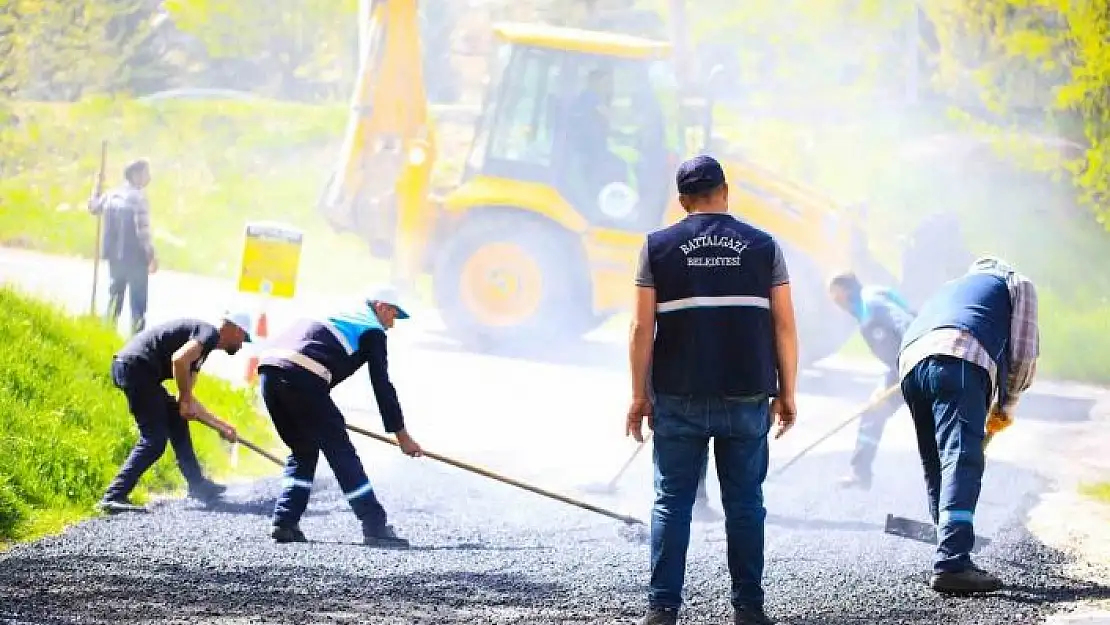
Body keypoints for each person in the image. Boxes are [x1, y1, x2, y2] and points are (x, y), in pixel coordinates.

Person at [626, 155, 799, 625]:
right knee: (745, 504)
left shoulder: (656, 247)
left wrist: (639, 396)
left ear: (682, 201)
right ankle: (748, 609)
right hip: (746, 395)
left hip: (678, 394)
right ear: (726, 190)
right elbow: (784, 325)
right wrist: (787, 391)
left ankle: (662, 609)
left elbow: (643, 328)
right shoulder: (764, 246)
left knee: (672, 503)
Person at [898, 256, 1039, 593]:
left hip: (911, 363)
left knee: (937, 462)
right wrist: (1007, 404)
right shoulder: (1017, 282)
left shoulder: (953, 287)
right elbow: (1023, 353)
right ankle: (952, 561)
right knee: (962, 457)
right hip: (959, 356)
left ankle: (949, 545)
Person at [257, 286, 424, 548]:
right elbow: (382, 386)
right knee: (341, 451)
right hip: (303, 376)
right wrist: (401, 435)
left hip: (269, 371)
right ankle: (374, 525)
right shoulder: (372, 329)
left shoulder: (339, 312)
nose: (392, 324)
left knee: (303, 449)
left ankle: (284, 521)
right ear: (380, 306)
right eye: (393, 315)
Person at [98, 313, 251, 514]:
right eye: (243, 339)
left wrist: (221, 426)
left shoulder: (202, 349)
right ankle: (113, 495)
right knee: (154, 440)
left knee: (176, 418)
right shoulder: (209, 333)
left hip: (136, 370)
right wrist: (186, 399)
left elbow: (185, 401)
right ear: (237, 330)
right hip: (135, 368)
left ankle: (197, 485)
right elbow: (179, 361)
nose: (242, 346)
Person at [828, 271, 917, 490]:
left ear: (846, 291)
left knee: (935, 421)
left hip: (917, 363)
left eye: (836, 296)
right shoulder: (869, 299)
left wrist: (917, 358)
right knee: (873, 411)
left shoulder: (872, 304)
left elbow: (905, 323)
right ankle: (860, 473)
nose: (836, 303)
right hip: (901, 367)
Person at [88, 159, 158, 335]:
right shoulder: (138, 198)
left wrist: (96, 186)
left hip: (114, 257)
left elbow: (93, 207)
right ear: (135, 175)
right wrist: (151, 255)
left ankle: (105, 335)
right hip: (135, 258)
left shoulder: (111, 195)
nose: (148, 177)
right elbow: (142, 231)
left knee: (114, 298)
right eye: (145, 173)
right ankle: (137, 342)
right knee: (138, 306)